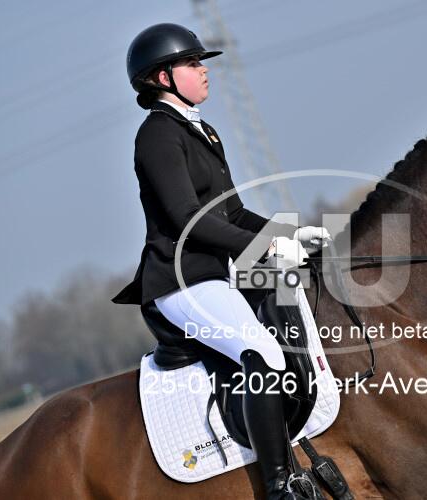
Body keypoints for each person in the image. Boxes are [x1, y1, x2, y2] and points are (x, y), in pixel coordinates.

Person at [113, 23, 329, 499]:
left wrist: (288, 235)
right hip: (180, 283)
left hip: (213, 276)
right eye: (192, 63)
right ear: (163, 77)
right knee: (263, 353)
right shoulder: (157, 136)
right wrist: (267, 249)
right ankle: (279, 486)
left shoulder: (201, 131)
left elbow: (233, 213)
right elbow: (188, 219)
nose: (204, 70)